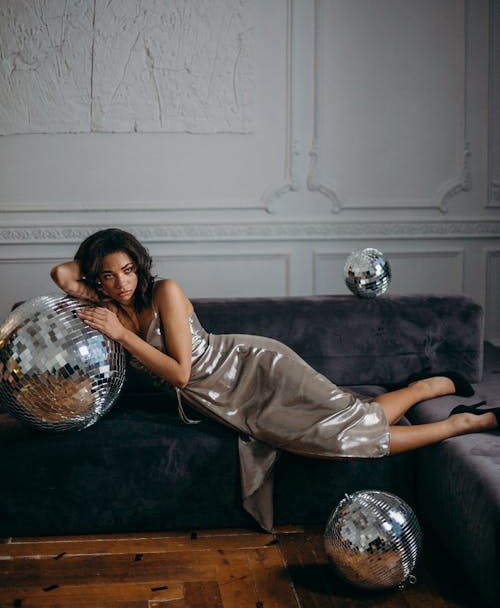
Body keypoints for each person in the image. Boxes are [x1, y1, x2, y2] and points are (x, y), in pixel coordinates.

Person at [51, 228, 499, 531]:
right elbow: (61, 275)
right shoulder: (111, 306)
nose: (121, 282)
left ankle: (463, 423)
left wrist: (120, 335)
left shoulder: (163, 291)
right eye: (108, 275)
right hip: (228, 403)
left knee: (343, 436)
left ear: (140, 266)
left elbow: (181, 374)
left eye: (127, 270)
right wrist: (101, 271)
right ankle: (427, 386)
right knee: (350, 420)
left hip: (254, 369)